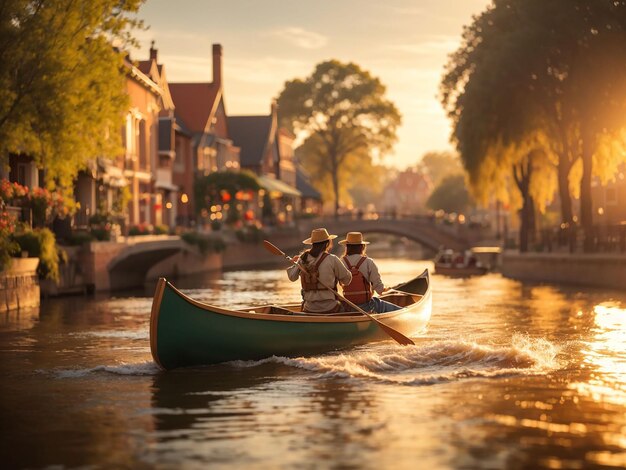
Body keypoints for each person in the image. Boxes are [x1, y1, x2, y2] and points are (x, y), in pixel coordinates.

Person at [287, 228, 352, 313]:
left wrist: (296, 263)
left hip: (309, 308)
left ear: (312, 244)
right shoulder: (332, 259)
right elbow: (347, 280)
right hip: (330, 307)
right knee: (347, 308)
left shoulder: (302, 259)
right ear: (327, 243)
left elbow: (292, 277)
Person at [339, 232, 401, 313]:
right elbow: (379, 290)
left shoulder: (340, 262)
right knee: (393, 308)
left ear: (347, 247)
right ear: (362, 246)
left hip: (348, 306)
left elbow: (339, 283)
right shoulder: (369, 262)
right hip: (367, 306)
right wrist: (386, 289)